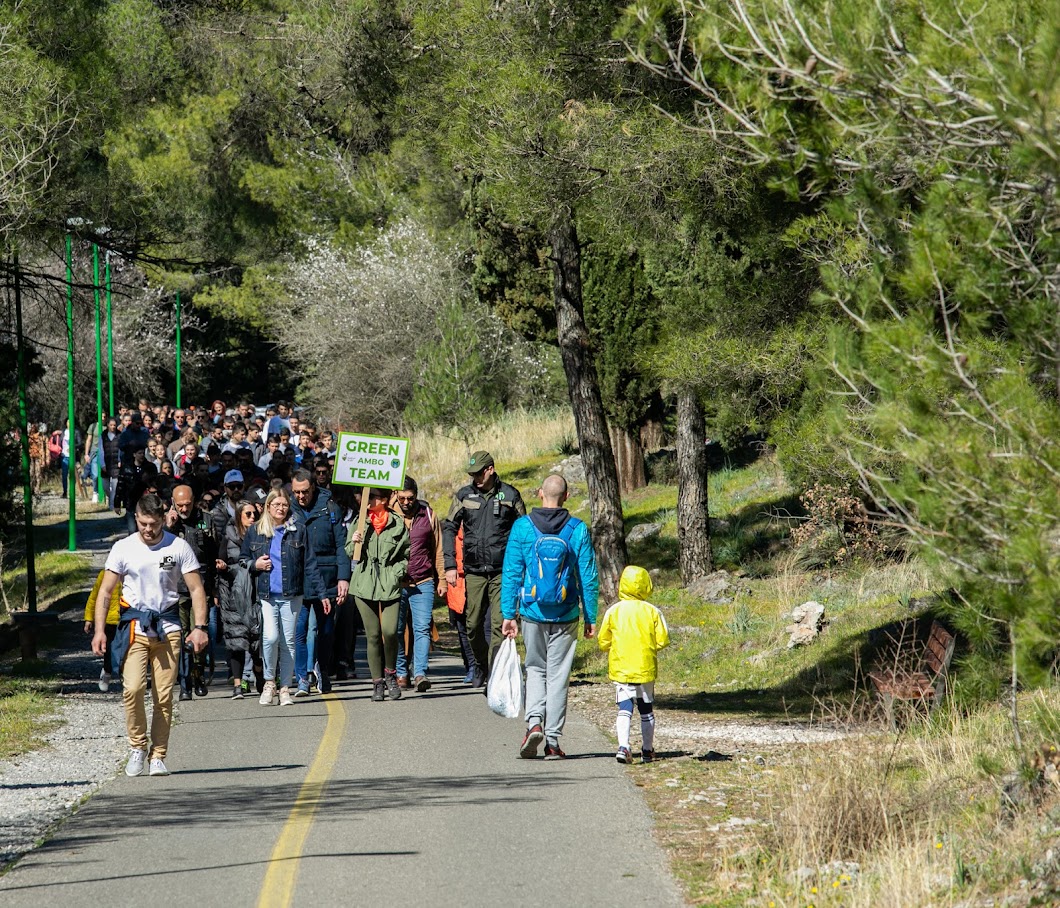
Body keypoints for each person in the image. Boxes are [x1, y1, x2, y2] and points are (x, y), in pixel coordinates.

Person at [92, 493, 209, 777]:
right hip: (135, 627)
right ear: (136, 518)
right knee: (132, 689)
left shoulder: (178, 546)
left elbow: (196, 589)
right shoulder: (123, 548)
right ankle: (137, 746)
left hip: (168, 628)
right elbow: (106, 591)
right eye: (143, 523)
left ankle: (158, 755)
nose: (148, 529)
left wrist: (200, 627)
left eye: (153, 524)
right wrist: (99, 631)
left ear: (163, 520)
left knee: (163, 696)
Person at [501, 473, 598, 760]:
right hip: (566, 613)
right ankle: (553, 741)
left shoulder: (522, 527)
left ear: (540, 493)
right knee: (559, 675)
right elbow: (588, 576)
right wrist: (590, 616)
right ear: (566, 496)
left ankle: (534, 723)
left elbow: (512, 572)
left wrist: (509, 614)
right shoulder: (577, 529)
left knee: (535, 669)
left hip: (532, 611)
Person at [442, 451, 525, 686]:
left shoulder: (510, 495)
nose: (475, 478)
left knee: (499, 624)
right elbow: (449, 528)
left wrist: (522, 567)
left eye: (479, 473)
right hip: (474, 570)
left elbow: (523, 532)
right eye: (472, 474)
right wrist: (450, 564)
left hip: (502, 571)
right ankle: (480, 664)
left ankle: (495, 675)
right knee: (473, 624)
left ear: (490, 469)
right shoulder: (464, 495)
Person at [241, 488, 327, 707]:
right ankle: (269, 682)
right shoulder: (255, 531)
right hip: (266, 594)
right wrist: (255, 564)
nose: (280, 508)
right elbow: (242, 559)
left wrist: (322, 593)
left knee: (288, 642)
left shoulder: (298, 530)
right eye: (276, 504)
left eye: (284, 505)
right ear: (268, 506)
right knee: (270, 637)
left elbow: (310, 563)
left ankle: (285, 687)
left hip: (292, 594)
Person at [598, 565, 671, 764]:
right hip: (645, 667)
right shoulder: (653, 611)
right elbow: (663, 640)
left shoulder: (614, 611)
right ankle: (647, 750)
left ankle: (623, 746)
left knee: (624, 706)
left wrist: (613, 647)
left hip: (621, 667)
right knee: (646, 708)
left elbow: (603, 641)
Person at [290, 468, 350, 697]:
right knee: (299, 631)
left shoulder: (330, 508)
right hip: (298, 580)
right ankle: (302, 677)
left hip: (326, 578)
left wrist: (343, 577)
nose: (301, 496)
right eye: (296, 492)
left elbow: (341, 546)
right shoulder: (288, 510)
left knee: (325, 631)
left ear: (313, 487)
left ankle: (322, 670)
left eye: (305, 491)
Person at [346, 488, 410, 702]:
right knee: (372, 635)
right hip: (364, 583)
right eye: (368, 496)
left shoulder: (397, 523)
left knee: (390, 632)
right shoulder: (360, 521)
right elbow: (349, 552)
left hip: (389, 583)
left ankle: (390, 673)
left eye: (373, 497)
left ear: (383, 499)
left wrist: (397, 573)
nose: (368, 500)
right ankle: (377, 683)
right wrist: (355, 541)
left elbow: (406, 553)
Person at [166, 483, 219, 701]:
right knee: (179, 638)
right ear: (172, 502)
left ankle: (198, 674)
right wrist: (168, 528)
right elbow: (159, 555)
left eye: (187, 504)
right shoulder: (166, 523)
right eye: (180, 505)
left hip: (201, 588)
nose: (184, 509)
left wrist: (215, 589)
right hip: (176, 589)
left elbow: (215, 555)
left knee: (199, 634)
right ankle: (184, 683)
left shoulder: (206, 520)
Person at [394, 476, 446, 692]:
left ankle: (420, 673)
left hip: (423, 581)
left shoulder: (428, 514)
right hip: (396, 583)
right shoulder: (388, 515)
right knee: (396, 630)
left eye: (411, 498)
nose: (406, 502)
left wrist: (442, 579)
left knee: (422, 628)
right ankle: (401, 671)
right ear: (396, 495)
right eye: (402, 498)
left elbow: (438, 549)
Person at [217, 499, 264, 698]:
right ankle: (238, 684)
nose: (252, 517)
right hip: (233, 593)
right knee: (236, 638)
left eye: (254, 514)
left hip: (255, 591)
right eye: (248, 514)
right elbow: (221, 560)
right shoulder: (228, 536)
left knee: (256, 638)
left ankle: (259, 674)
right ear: (238, 517)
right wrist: (223, 568)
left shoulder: (261, 535)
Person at [84, 569, 121, 692]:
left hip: (127, 619)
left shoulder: (133, 572)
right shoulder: (105, 575)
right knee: (109, 650)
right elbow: (94, 597)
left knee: (128, 650)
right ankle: (107, 671)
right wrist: (89, 618)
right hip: (109, 620)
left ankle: (127, 677)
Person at [115, 444, 159, 533]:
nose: (141, 455)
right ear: (134, 454)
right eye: (139, 453)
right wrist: (117, 504)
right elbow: (120, 486)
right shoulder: (126, 468)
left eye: (143, 453)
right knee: (132, 529)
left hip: (146, 502)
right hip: (131, 502)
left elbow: (155, 484)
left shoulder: (150, 467)